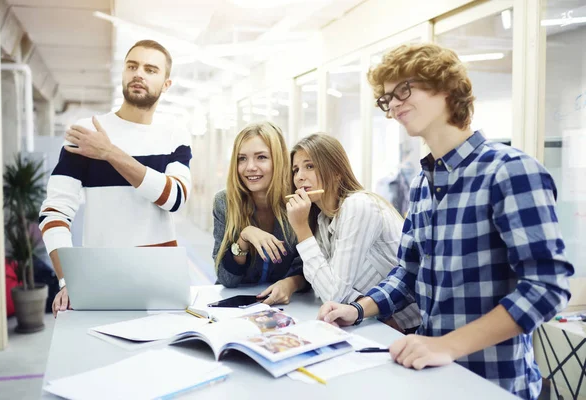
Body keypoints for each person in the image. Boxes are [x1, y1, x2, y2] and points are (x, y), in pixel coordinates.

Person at [317, 43, 574, 400]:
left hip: (493, 382)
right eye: (386, 98)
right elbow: (407, 274)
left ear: (446, 87)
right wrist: (358, 308)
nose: (393, 104)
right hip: (433, 376)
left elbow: (547, 287)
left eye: (404, 89)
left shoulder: (509, 171)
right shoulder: (423, 182)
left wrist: (447, 346)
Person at [39, 40, 192, 316]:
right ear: (123, 72)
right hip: (100, 276)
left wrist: (109, 152)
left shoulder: (174, 135)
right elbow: (54, 212)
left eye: (150, 69)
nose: (139, 74)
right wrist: (68, 279)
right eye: (132, 66)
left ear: (166, 84)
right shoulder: (87, 132)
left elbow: (175, 198)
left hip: (161, 278)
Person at [286, 133, 420, 332]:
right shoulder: (323, 219)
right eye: (296, 169)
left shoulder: (357, 206)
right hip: (377, 322)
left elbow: (333, 294)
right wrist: (356, 302)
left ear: (337, 172)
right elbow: (327, 287)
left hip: (409, 327)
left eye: (310, 166)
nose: (299, 177)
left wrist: (302, 230)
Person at [213, 121, 307, 305]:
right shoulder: (225, 202)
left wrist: (290, 283)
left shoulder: (298, 201)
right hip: (236, 307)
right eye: (242, 158)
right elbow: (226, 279)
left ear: (278, 160)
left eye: (261, 157)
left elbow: (310, 265)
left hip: (290, 307)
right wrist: (243, 239)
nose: (250, 167)